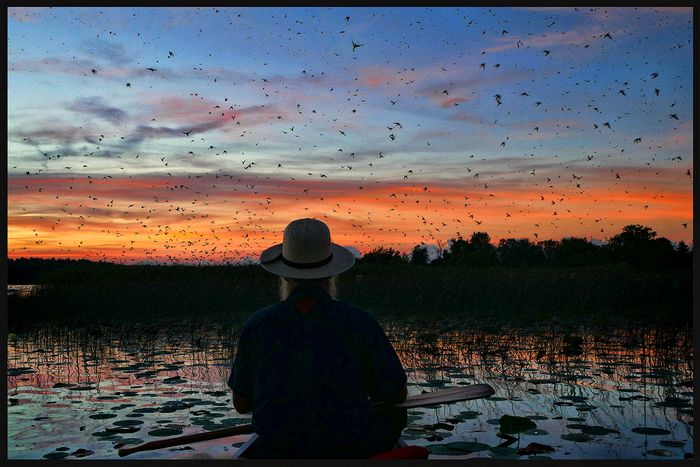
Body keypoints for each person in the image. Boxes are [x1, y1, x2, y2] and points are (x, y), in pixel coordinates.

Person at [228, 218, 408, 458]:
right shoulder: (359, 321)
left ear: (285, 277)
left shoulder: (258, 324)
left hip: (278, 448)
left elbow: (241, 403)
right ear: (331, 275)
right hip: (349, 447)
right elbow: (395, 393)